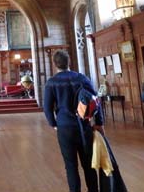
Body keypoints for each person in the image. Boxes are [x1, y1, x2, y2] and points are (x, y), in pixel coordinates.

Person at [44, 50, 103, 192]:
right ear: (69, 61)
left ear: (54, 64)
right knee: (88, 164)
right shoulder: (81, 78)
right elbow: (96, 101)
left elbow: (47, 107)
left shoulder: (52, 82)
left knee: (70, 166)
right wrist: (99, 123)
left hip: (64, 127)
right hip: (83, 126)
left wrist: (54, 124)